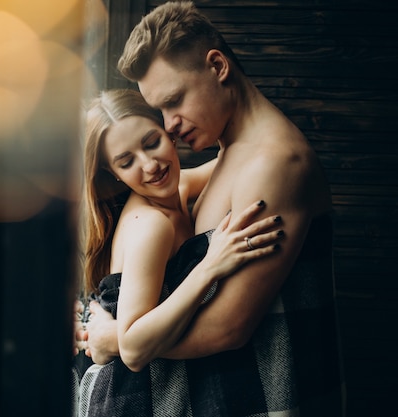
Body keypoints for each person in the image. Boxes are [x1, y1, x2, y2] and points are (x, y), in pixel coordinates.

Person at [82, 1, 345, 416]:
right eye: (160, 112)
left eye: (175, 100)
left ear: (218, 66)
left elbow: (228, 327)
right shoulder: (229, 155)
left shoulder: (274, 164)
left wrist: (118, 339)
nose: (169, 124)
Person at [74, 88, 284, 416]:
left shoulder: (180, 186)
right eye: (127, 162)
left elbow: (236, 159)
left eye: (151, 142)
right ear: (114, 173)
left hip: (169, 391)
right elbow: (132, 348)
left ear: (168, 133)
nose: (150, 165)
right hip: (131, 399)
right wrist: (209, 267)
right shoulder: (152, 226)